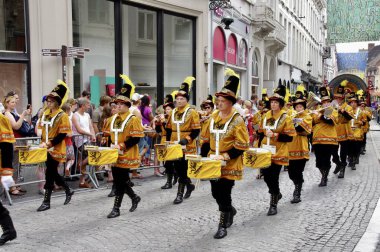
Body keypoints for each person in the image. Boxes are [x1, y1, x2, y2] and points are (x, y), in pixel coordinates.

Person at [201, 69, 249, 239]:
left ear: (230, 102)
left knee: (224, 192)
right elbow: (205, 139)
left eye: (222, 101)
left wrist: (225, 156)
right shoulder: (213, 117)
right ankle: (230, 210)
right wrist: (203, 158)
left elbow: (242, 145)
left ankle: (222, 225)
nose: (219, 103)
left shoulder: (237, 120)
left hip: (229, 162)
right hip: (213, 162)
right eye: (218, 100)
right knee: (215, 193)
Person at [104, 75, 144, 218]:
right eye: (117, 103)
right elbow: (108, 136)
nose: (118, 106)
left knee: (120, 181)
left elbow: (136, 137)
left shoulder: (132, 119)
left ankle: (116, 208)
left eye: (121, 104)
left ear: (128, 105)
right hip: (114, 154)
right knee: (119, 180)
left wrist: (122, 146)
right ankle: (134, 197)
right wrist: (106, 146)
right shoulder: (111, 119)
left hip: (126, 153)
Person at [37, 80, 74, 211]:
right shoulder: (45, 114)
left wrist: (50, 143)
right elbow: (42, 129)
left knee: (49, 174)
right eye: (48, 100)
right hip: (46, 147)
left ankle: (46, 201)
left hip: (56, 148)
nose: (48, 102)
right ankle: (68, 189)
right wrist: (42, 141)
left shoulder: (62, 115)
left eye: (51, 100)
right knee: (52, 173)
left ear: (57, 102)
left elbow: (63, 134)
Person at [259, 84, 296, 215]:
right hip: (265, 151)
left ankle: (273, 203)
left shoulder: (286, 117)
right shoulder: (266, 115)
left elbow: (290, 137)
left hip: (279, 151)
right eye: (272, 102)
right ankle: (277, 193)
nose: (273, 104)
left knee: (273, 177)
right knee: (266, 177)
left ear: (280, 104)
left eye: (276, 102)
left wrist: (276, 135)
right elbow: (261, 131)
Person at [166, 76, 201, 204]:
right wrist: (168, 143)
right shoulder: (173, 112)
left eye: (182, 99)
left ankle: (179, 194)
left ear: (187, 100)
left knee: (183, 169)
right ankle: (190, 185)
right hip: (174, 144)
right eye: (177, 99)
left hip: (187, 145)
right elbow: (169, 129)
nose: (179, 101)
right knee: (177, 169)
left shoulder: (192, 112)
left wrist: (187, 139)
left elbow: (196, 130)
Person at [287, 91, 312, 203]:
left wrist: (295, 122)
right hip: (290, 146)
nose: (298, 108)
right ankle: (298, 183)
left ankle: (297, 192)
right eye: (297, 106)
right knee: (291, 172)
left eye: (300, 106)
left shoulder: (307, 116)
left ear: (303, 107)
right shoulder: (290, 115)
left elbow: (305, 130)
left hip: (301, 145)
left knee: (298, 171)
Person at [311, 86, 338, 187]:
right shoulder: (317, 110)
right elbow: (312, 122)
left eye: (327, 101)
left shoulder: (332, 110)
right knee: (318, 161)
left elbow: (330, 121)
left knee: (326, 160)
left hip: (328, 139)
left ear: (329, 102)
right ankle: (323, 174)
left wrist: (321, 115)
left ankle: (324, 178)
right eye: (323, 102)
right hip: (317, 139)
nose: (325, 104)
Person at [0, 111, 17, 245]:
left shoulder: (1, 120)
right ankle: (9, 230)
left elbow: (7, 147)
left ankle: (9, 230)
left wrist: (6, 173)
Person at [331, 81, 354, 179]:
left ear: (343, 98)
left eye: (339, 98)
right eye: (336, 98)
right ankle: (337, 163)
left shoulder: (348, 107)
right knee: (333, 151)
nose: (337, 100)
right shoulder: (331, 106)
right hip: (334, 130)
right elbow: (326, 117)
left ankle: (342, 168)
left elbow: (350, 117)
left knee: (343, 152)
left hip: (344, 130)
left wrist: (342, 110)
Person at [72, 97, 96, 188]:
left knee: (86, 157)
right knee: (92, 155)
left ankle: (82, 181)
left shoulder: (87, 115)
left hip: (88, 139)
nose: (89, 106)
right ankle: (80, 164)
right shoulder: (75, 115)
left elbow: (91, 126)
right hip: (80, 140)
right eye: (88, 104)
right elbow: (79, 129)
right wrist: (90, 134)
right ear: (82, 106)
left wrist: (92, 135)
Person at [154, 96, 177, 189]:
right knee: (165, 162)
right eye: (165, 109)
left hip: (171, 141)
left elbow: (169, 130)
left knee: (169, 162)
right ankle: (173, 176)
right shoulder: (164, 118)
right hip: (163, 141)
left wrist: (163, 121)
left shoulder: (173, 119)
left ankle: (169, 181)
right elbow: (159, 131)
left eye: (168, 109)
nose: (167, 111)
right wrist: (157, 124)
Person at [347, 92, 366, 170]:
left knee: (356, 147)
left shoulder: (360, 112)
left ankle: (354, 161)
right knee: (349, 147)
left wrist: (361, 122)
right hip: (349, 131)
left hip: (357, 132)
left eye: (354, 102)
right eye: (351, 102)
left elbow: (364, 120)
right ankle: (350, 159)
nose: (353, 104)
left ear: (357, 104)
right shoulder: (347, 111)